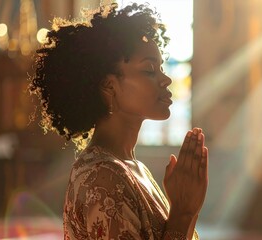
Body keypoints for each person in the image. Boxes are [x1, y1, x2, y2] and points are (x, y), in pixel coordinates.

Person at [28, 2, 208, 239]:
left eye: (161, 67)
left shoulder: (132, 168)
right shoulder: (102, 177)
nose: (165, 79)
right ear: (109, 85)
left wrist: (188, 210)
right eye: (149, 69)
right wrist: (184, 212)